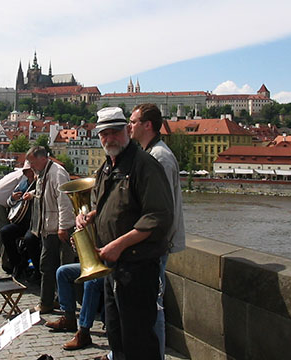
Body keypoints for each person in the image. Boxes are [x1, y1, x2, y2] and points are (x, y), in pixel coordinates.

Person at [76, 107, 174, 360]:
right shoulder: (108, 166)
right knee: (116, 336)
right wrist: (89, 215)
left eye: (115, 132)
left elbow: (158, 216)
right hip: (113, 266)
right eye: (104, 134)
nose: (109, 139)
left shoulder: (144, 165)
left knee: (138, 339)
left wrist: (119, 244)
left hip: (137, 266)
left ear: (127, 131)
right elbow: (108, 205)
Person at [130, 103, 186, 358]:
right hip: (147, 243)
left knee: (154, 306)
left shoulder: (159, 157)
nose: (129, 126)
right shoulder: (149, 152)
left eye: (133, 122)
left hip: (154, 244)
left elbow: (160, 210)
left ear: (147, 125)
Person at [24, 146, 75, 314]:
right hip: (49, 227)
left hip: (56, 228)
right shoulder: (44, 172)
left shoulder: (57, 173)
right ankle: (53, 300)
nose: (30, 166)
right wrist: (32, 194)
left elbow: (64, 201)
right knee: (49, 266)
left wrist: (63, 227)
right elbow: (46, 194)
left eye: (32, 162)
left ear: (42, 158)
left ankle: (53, 302)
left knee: (56, 266)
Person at [45, 263, 104, 351]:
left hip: (114, 267)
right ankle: (69, 319)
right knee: (62, 272)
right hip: (97, 264)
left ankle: (84, 332)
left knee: (92, 281)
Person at [0, 161, 38, 277]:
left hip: (35, 222)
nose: (28, 173)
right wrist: (13, 198)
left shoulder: (39, 183)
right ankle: (17, 262)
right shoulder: (23, 184)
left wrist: (32, 196)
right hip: (21, 221)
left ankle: (36, 268)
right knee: (5, 232)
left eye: (30, 170)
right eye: (26, 171)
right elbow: (9, 202)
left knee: (29, 239)